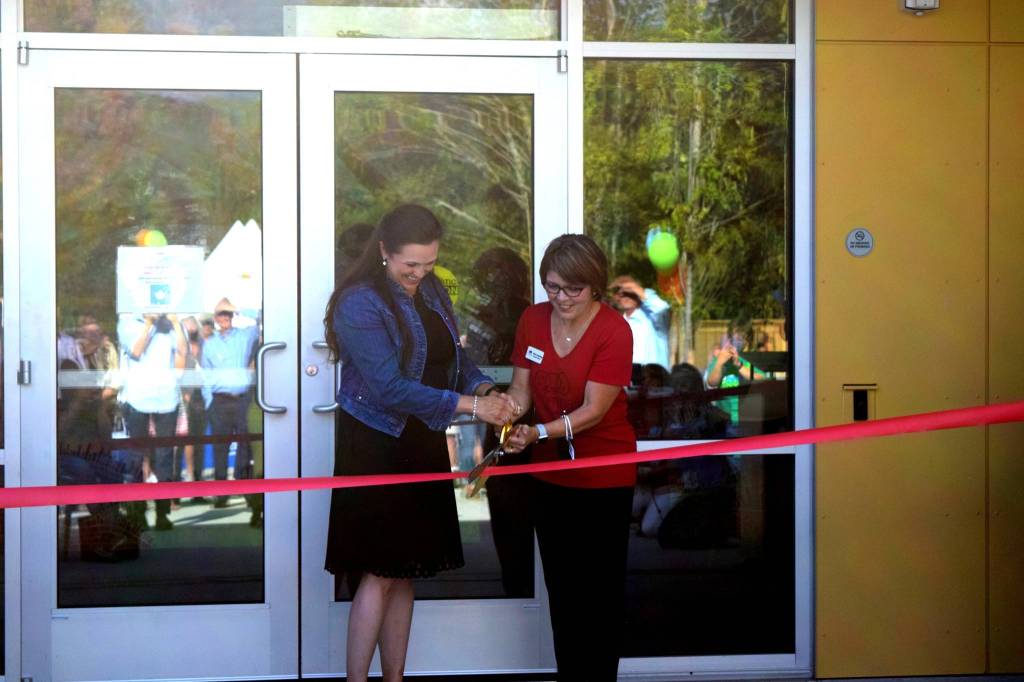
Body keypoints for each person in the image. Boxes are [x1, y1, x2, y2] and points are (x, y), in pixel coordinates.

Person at [322, 203, 518, 682]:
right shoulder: (358, 301)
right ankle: (356, 681)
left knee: (406, 568)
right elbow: (389, 388)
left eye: (428, 264)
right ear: (384, 251)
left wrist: (486, 389)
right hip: (376, 442)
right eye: (410, 264)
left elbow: (455, 360)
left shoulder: (431, 290)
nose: (418, 274)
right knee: (379, 570)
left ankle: (395, 679)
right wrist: (472, 408)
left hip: (421, 436)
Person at [503, 234, 636, 681]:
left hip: (604, 478)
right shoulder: (532, 320)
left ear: (594, 286)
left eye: (572, 289)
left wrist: (538, 431)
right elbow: (521, 391)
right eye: (552, 287)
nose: (561, 298)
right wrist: (508, 417)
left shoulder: (614, 329)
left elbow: (594, 411)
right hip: (550, 475)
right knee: (562, 590)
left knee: (599, 593)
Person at [117, 311, 187, 530]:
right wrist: (148, 322)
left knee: (165, 456)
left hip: (166, 396)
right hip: (137, 397)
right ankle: (138, 513)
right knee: (137, 457)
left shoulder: (172, 323)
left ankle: (162, 513)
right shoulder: (128, 322)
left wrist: (175, 323)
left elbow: (183, 352)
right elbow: (136, 351)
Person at [201, 297, 261, 512]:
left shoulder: (245, 336)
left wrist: (239, 308)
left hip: (243, 399)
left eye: (228, 314)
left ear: (233, 316)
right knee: (220, 448)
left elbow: (261, 319)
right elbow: (206, 376)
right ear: (216, 318)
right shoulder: (209, 344)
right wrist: (209, 403)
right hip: (219, 401)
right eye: (221, 314)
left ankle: (245, 491)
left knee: (244, 448)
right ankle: (221, 493)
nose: (224, 317)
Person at [608, 274, 670, 370]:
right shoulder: (617, 325)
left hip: (653, 382)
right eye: (621, 294)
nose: (625, 297)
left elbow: (662, 308)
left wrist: (637, 289)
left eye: (630, 293)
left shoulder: (653, 320)